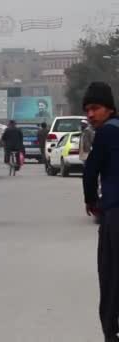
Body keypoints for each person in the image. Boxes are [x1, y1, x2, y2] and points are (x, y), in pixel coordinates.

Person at [81, 82, 119, 342]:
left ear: (110, 109)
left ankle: (111, 332)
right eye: (87, 110)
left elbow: (90, 171)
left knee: (110, 274)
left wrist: (92, 201)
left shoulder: (106, 133)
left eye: (95, 108)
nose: (90, 115)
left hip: (115, 212)